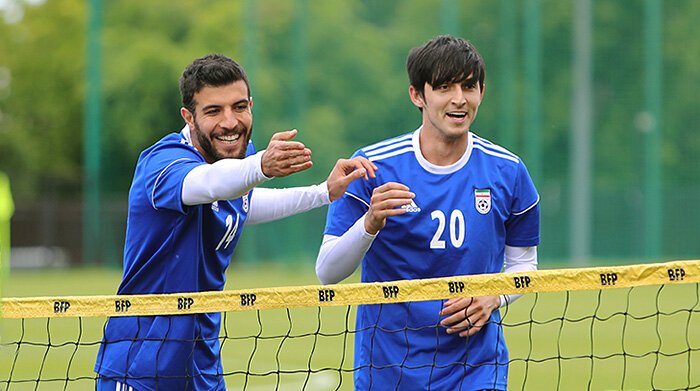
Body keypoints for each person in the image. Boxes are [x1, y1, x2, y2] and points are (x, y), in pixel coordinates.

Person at [94, 53, 375, 391]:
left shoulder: (236, 160)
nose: (230, 122)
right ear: (189, 116)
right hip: (140, 366)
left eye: (239, 107)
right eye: (213, 111)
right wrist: (261, 166)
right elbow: (210, 183)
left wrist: (323, 192)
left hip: (202, 363)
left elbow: (243, 203)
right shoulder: (163, 164)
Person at [316, 35, 540, 390]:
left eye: (469, 86)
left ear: (482, 91)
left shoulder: (508, 172)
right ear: (417, 95)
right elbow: (327, 272)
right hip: (388, 371)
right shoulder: (373, 168)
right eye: (444, 87)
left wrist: (494, 297)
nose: (459, 99)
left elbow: (524, 265)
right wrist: (370, 223)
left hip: (477, 371)